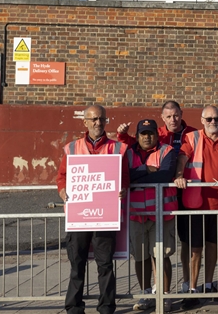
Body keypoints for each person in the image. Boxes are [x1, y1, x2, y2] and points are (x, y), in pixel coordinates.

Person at [56, 105, 128, 314]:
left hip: (104, 216)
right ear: (85, 122)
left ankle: (106, 307)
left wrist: (122, 189)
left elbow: (125, 178)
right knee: (77, 263)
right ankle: (74, 307)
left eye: (102, 119)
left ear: (106, 121)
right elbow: (62, 177)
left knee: (105, 264)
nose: (98, 123)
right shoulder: (72, 148)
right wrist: (62, 191)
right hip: (78, 217)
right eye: (94, 119)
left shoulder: (118, 148)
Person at [173, 106, 218, 308]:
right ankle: (193, 289)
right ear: (202, 120)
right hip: (196, 203)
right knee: (195, 248)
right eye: (209, 119)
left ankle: (210, 284)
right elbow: (182, 158)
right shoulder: (192, 138)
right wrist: (179, 175)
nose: (213, 122)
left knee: (213, 245)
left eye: (217, 119)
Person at [123, 119, 179, 312]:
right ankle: (146, 293)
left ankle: (163, 296)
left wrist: (135, 177)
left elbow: (163, 176)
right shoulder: (128, 153)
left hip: (161, 214)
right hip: (136, 214)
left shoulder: (168, 152)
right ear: (137, 136)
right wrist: (144, 170)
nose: (147, 137)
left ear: (157, 134)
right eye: (143, 134)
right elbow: (123, 176)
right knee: (140, 257)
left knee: (161, 256)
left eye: (150, 133)